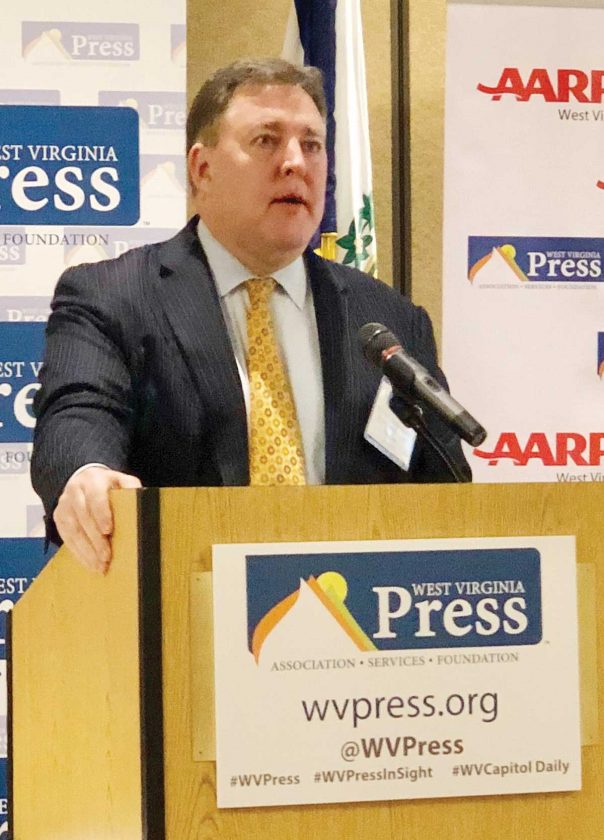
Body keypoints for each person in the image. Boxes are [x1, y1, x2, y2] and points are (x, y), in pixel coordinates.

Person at [31, 57, 469, 574]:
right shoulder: (114, 297)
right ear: (202, 169)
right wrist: (86, 473)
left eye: (312, 144)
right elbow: (77, 413)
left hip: (354, 608)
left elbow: (447, 491)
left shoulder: (387, 320)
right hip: (182, 601)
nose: (295, 163)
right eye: (266, 140)